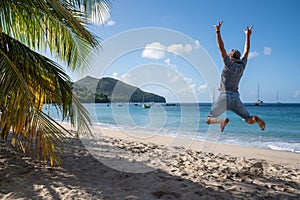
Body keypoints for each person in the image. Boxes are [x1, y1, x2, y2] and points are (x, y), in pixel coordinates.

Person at [206, 21, 266, 132]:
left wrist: (218, 32)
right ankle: (255, 118)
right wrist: (248, 35)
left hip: (224, 96)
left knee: (208, 119)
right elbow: (247, 51)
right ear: (238, 57)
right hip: (236, 98)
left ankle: (221, 121)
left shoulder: (228, 63)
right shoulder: (242, 65)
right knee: (248, 119)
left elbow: (221, 47)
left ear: (230, 57)